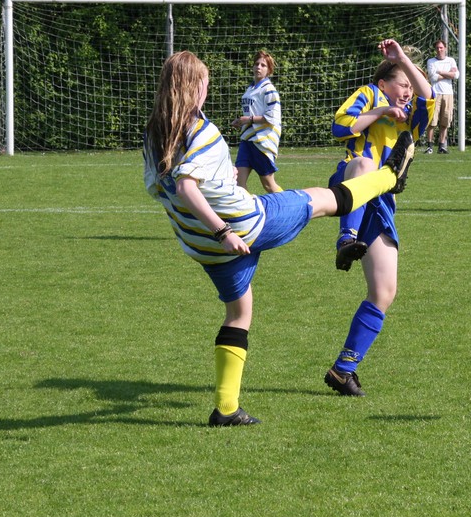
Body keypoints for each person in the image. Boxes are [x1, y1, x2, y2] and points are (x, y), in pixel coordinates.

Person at [143, 50, 416, 426]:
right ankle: (389, 177)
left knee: (239, 313)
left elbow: (162, 189)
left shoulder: (154, 134)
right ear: (196, 87)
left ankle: (226, 409)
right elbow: (187, 187)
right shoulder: (200, 131)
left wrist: (212, 209)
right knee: (321, 200)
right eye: (205, 82)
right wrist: (223, 230)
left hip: (202, 247)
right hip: (245, 224)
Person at [325, 40, 433, 397]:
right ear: (384, 83)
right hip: (351, 182)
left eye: (410, 85)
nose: (408, 91)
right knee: (365, 164)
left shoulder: (411, 117)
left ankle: (343, 370)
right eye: (402, 84)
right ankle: (346, 238)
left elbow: (429, 95)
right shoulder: (371, 94)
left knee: (384, 292)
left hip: (382, 202)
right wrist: (383, 110)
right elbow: (341, 126)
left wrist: (403, 59)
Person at [230, 50, 283, 193]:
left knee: (268, 185)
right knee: (238, 183)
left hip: (261, 142)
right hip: (247, 141)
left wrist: (248, 120)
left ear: (269, 70)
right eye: (256, 64)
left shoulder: (269, 90)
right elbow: (251, 113)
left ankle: (290, 204)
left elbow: (272, 118)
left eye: (263, 65)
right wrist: (240, 121)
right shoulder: (250, 88)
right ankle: (248, 208)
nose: (258, 67)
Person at [425, 39, 458, 154]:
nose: (439, 50)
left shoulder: (451, 60)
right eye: (437, 48)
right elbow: (433, 77)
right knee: (432, 121)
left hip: (448, 94)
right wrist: (449, 74)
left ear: (445, 48)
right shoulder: (431, 61)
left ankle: (442, 146)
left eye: (441, 47)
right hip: (435, 93)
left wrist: (440, 72)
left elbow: (456, 75)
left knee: (445, 121)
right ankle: (429, 146)